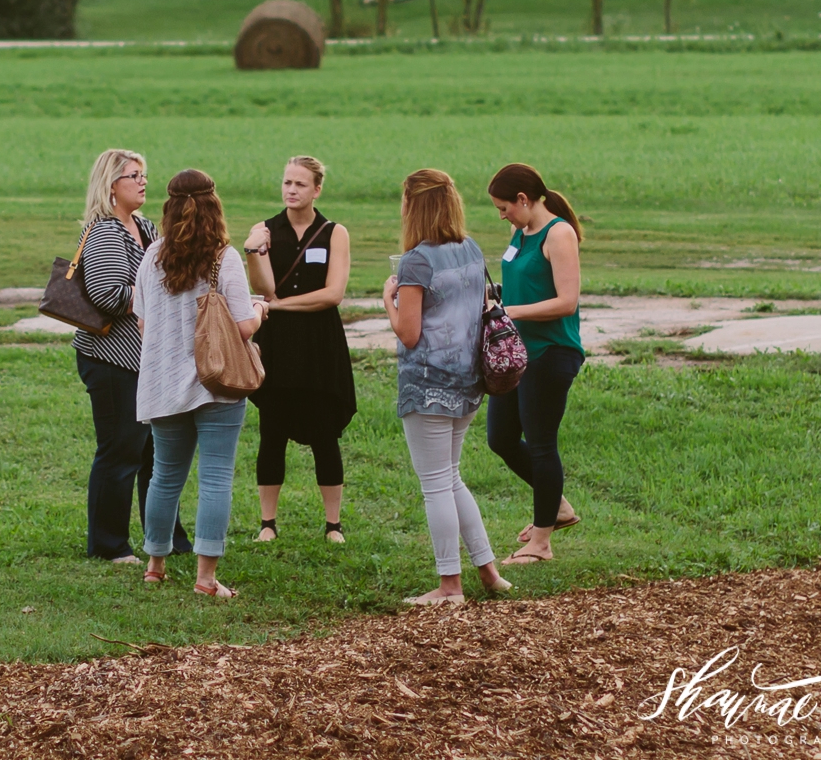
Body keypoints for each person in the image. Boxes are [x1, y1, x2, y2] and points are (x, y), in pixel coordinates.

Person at [135, 169, 267, 598]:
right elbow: (243, 326)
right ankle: (206, 578)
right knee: (214, 478)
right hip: (218, 383)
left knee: (164, 476)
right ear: (215, 206)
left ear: (168, 208)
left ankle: (155, 565)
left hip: (162, 383)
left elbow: (142, 322)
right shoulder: (222, 257)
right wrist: (261, 310)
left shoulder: (152, 254)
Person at [382, 169, 511, 605]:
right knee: (452, 478)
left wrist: (389, 299)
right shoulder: (470, 249)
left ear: (413, 206)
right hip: (469, 382)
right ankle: (490, 573)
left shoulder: (416, 261)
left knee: (436, 484)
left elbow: (409, 333)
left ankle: (449, 586)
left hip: (428, 385)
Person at [72, 149, 191, 564]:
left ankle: (166, 538)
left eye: (143, 175)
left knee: (153, 454)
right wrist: (154, 300)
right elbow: (106, 294)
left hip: (144, 360)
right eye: (133, 176)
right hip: (110, 359)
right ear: (111, 185)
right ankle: (108, 545)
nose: (142, 182)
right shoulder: (105, 232)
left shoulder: (143, 225)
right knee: (120, 450)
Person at [242, 156, 356, 543]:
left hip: (319, 342)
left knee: (325, 432)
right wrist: (252, 253)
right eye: (287, 182)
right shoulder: (266, 230)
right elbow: (265, 289)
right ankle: (267, 523)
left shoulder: (334, 232)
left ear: (317, 189)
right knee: (271, 431)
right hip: (276, 343)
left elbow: (333, 294)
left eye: (300, 184)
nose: (291, 190)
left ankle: (333, 525)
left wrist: (281, 306)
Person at [485, 162, 585, 565]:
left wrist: (510, 310)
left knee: (542, 443)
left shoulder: (558, 234)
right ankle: (557, 505)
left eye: (504, 207)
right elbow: (522, 282)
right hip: (519, 353)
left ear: (523, 200)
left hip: (551, 353)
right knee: (501, 438)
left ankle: (541, 542)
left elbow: (566, 302)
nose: (502, 215)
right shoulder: (519, 232)